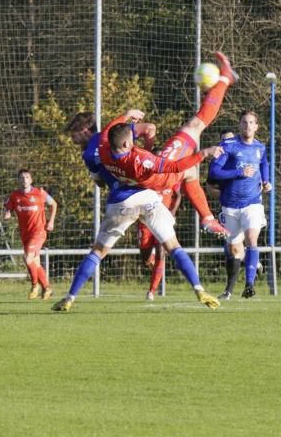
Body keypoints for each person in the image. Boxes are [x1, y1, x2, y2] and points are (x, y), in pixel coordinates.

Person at [82, 115, 224, 310]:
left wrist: (126, 116)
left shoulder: (101, 152)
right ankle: (198, 288)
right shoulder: (140, 162)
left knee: (161, 251)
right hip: (143, 202)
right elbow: (172, 165)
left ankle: (153, 290)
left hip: (136, 205)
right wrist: (203, 153)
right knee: (158, 250)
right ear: (125, 142)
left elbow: (107, 138)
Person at [207, 111, 273, 299]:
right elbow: (214, 172)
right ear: (239, 125)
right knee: (235, 250)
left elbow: (264, 164)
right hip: (230, 206)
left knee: (252, 239)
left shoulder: (260, 147)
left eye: (251, 123)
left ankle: (250, 284)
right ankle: (228, 290)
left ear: (256, 126)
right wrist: (238, 172)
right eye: (244, 122)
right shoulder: (228, 146)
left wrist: (267, 181)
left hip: (253, 203)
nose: (248, 126)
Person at [4, 168, 58, 301]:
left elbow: (54, 204)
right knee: (35, 262)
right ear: (18, 180)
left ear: (31, 180)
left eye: (27, 177)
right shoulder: (15, 196)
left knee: (28, 258)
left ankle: (35, 286)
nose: (24, 180)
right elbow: (8, 206)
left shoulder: (40, 192)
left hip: (39, 232)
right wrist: (8, 212)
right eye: (22, 177)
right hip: (25, 233)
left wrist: (51, 221)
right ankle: (47, 288)